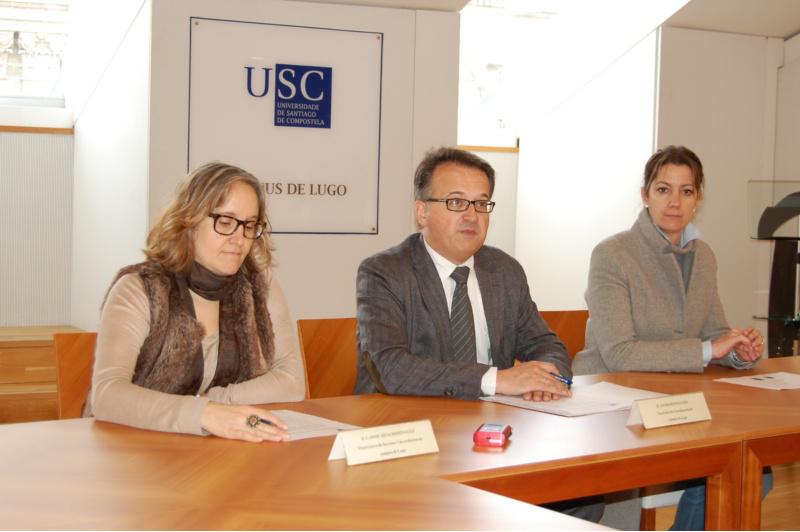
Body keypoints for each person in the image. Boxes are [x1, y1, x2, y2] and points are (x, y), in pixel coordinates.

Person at [355, 146, 603, 523]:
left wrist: (546, 378)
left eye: (482, 203)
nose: (472, 215)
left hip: (492, 434)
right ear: (422, 212)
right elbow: (391, 368)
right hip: (410, 437)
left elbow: (544, 343)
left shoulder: (504, 270)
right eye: (456, 202)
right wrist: (499, 379)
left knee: (584, 492)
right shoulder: (384, 272)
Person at [573, 145, 769, 530]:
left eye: (686, 191)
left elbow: (714, 333)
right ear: (645, 195)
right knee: (724, 468)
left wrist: (738, 352)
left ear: (698, 199)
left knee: (753, 471)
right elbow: (619, 353)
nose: (675, 202)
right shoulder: (612, 253)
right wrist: (709, 349)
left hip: (675, 402)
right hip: (609, 402)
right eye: (663, 190)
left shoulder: (704, 255)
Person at [90, 162, 305, 442]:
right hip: (135, 447)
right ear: (188, 222)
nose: (239, 239)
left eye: (249, 225)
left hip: (223, 449)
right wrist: (204, 414)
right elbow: (107, 395)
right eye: (225, 222)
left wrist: (215, 405)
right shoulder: (139, 289)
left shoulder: (261, 287)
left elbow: (291, 381)